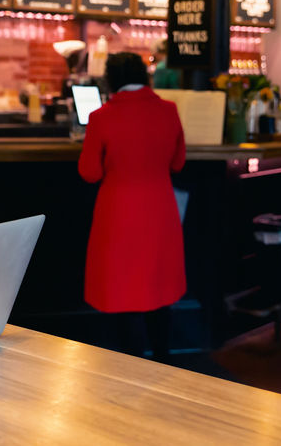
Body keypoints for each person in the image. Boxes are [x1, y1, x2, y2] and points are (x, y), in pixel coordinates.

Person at [77, 52, 187, 360]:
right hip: (160, 210)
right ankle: (163, 359)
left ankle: (130, 364)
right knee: (158, 286)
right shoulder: (169, 110)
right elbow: (178, 163)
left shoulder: (101, 117)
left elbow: (89, 172)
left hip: (118, 214)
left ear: (111, 80)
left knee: (122, 289)